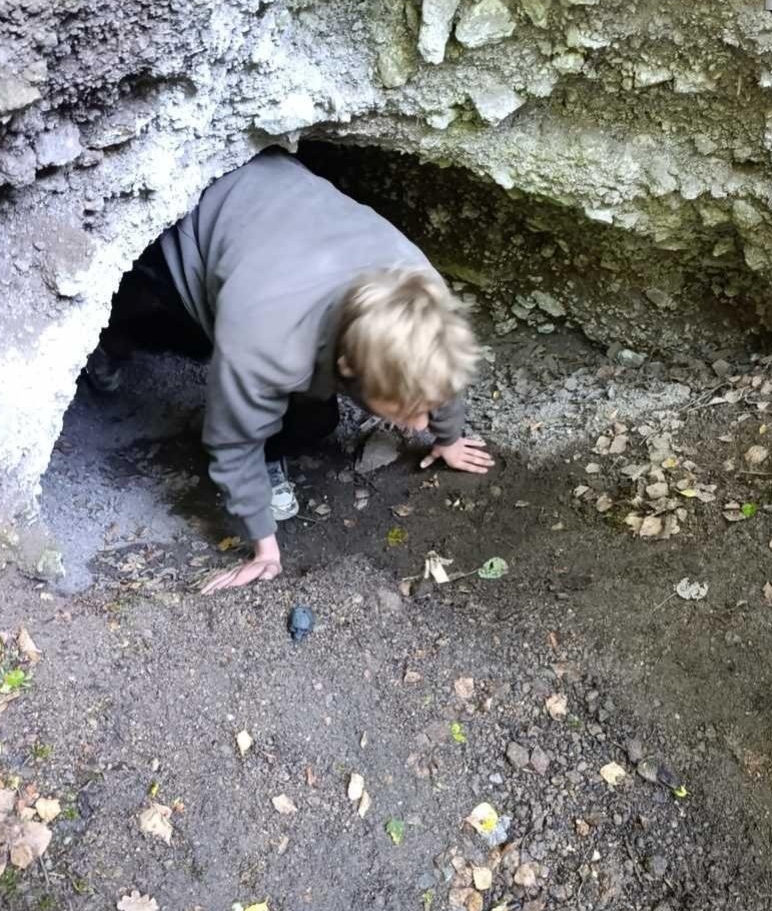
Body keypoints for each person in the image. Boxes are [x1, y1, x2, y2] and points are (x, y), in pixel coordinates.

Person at [87, 148, 494, 593]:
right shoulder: (265, 339)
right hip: (194, 214)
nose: (416, 426)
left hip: (279, 199)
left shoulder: (423, 293)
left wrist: (448, 437)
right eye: (408, 412)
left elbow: (434, 373)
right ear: (347, 366)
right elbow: (232, 441)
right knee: (171, 326)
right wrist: (264, 546)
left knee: (316, 418)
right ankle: (107, 340)